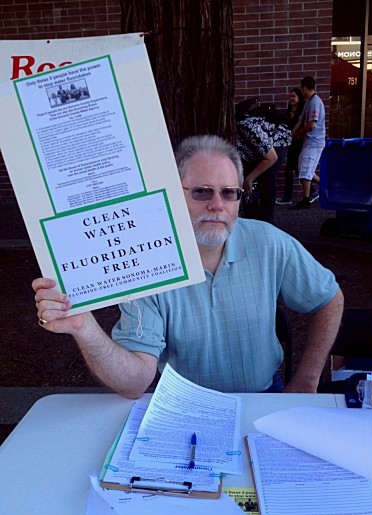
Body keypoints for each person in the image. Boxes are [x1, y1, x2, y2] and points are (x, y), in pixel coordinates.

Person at [33, 135, 344, 398]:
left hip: (261, 396)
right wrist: (84, 328)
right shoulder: (147, 262)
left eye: (229, 193)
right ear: (172, 194)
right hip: (183, 406)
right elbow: (136, 381)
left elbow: (329, 297)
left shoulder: (269, 243)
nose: (217, 205)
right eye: (201, 191)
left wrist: (306, 379)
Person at [236, 102, 291, 224]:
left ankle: (267, 220)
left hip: (277, 143)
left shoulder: (248, 127)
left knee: (267, 177)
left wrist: (250, 178)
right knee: (249, 179)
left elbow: (271, 157)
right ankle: (250, 216)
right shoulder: (235, 136)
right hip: (256, 151)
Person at [290, 76, 325, 210]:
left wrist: (298, 133)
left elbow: (311, 125)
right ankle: (325, 185)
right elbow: (301, 120)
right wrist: (293, 133)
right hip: (309, 141)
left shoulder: (315, 102)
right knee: (304, 168)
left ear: (304, 87)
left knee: (305, 170)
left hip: (314, 142)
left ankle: (306, 199)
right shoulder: (308, 103)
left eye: (301, 88)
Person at [276, 88, 306, 205]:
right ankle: (312, 191)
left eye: (293, 96)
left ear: (299, 98)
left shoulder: (301, 114)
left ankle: (288, 197)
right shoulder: (287, 113)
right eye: (290, 97)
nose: (291, 99)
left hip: (298, 144)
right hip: (290, 144)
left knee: (289, 169)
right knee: (297, 169)